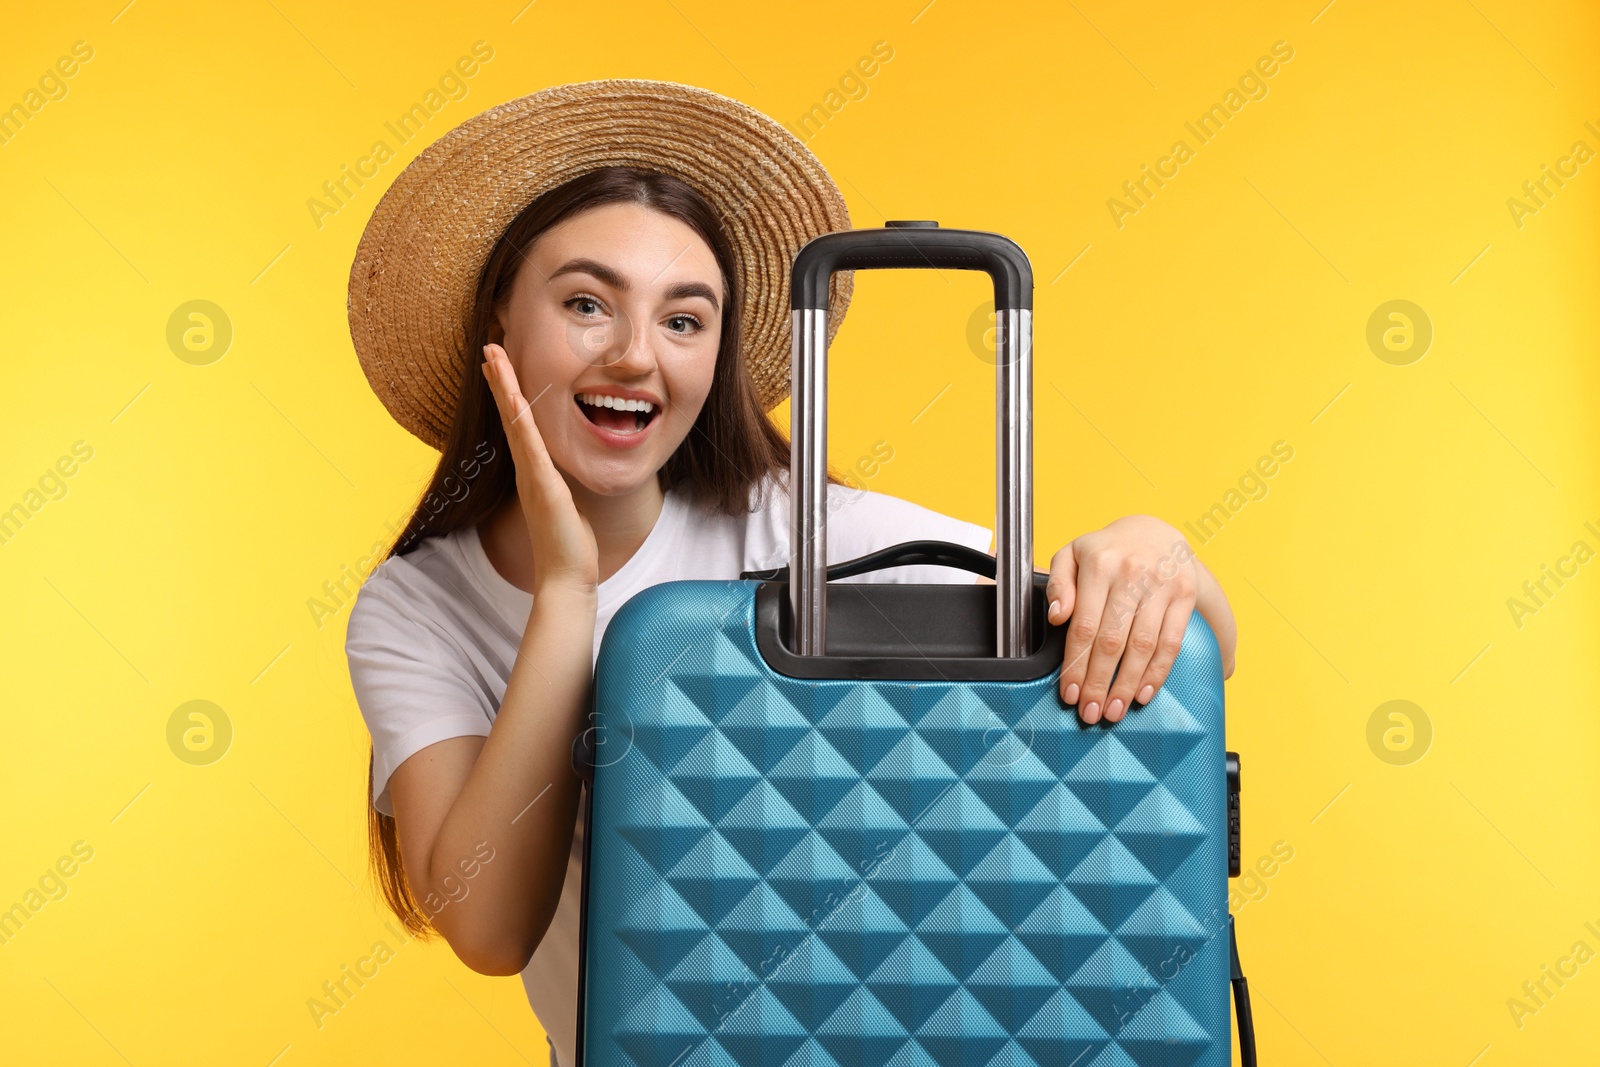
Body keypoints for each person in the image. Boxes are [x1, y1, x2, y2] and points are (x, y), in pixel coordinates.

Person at [343, 79, 1237, 1067]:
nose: (637, 355)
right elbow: (490, 925)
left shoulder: (804, 532)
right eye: (587, 304)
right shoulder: (418, 604)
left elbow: (1199, 646)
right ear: (499, 327)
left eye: (685, 320)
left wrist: (1155, 547)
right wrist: (566, 591)